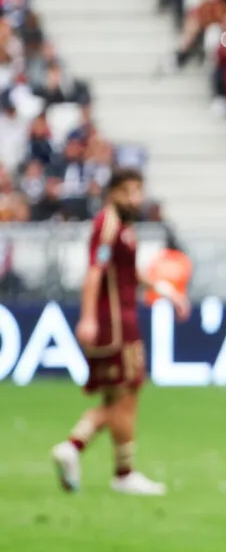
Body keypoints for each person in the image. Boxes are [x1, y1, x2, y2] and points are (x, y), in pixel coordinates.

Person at [51, 169, 191, 496]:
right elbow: (94, 272)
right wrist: (87, 318)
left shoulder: (122, 228)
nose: (135, 199)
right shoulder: (109, 225)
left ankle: (73, 447)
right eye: (128, 192)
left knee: (114, 397)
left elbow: (129, 273)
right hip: (115, 325)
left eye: (138, 192)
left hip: (117, 321)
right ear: (112, 192)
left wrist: (164, 288)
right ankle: (122, 472)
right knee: (127, 396)